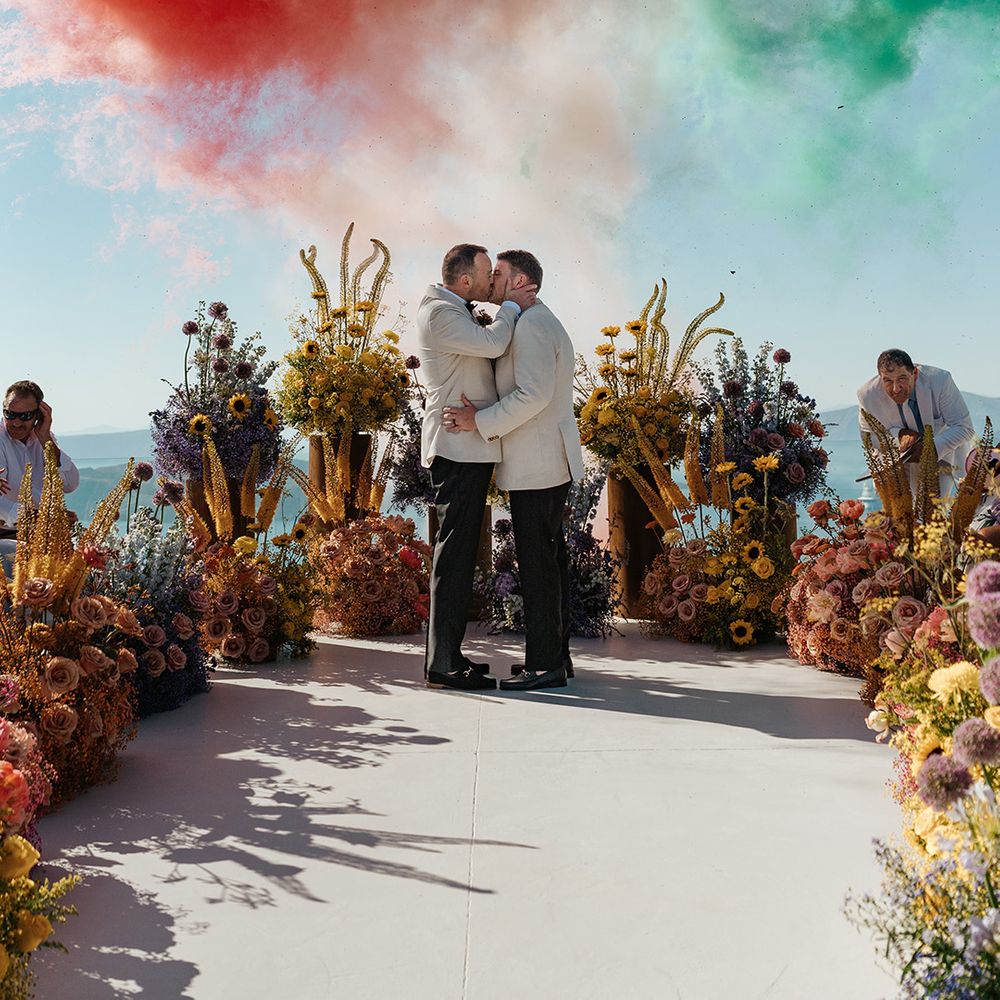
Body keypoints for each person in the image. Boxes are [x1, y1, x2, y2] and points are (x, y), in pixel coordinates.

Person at [445, 250, 584, 691]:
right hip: (539, 461)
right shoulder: (532, 321)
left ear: (521, 280)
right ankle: (555, 659)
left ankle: (546, 665)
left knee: (540, 564)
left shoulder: (536, 326)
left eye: (499, 274)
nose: (492, 281)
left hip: (538, 463)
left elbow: (533, 395)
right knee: (548, 559)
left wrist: (478, 422)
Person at [419, 244, 537, 692]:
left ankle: (449, 655)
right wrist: (510, 305)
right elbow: (493, 343)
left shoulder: (454, 309)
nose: (492, 282)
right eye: (488, 274)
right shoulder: (439, 314)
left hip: (468, 445)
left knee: (462, 554)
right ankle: (443, 665)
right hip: (457, 446)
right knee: (453, 556)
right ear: (465, 281)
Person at [857, 349, 973, 497]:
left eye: (902, 379)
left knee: (932, 514)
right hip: (895, 462)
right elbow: (868, 437)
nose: (896, 388)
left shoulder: (940, 381)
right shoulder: (867, 395)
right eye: (888, 381)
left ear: (915, 374)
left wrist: (930, 448)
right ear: (881, 378)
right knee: (901, 517)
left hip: (941, 456)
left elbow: (964, 427)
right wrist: (898, 435)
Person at [0, 380, 79, 532]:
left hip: (41, 534)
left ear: (39, 415)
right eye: (10, 414)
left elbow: (70, 483)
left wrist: (45, 437)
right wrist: (43, 516)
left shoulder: (43, 437)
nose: (16, 422)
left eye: (24, 416)